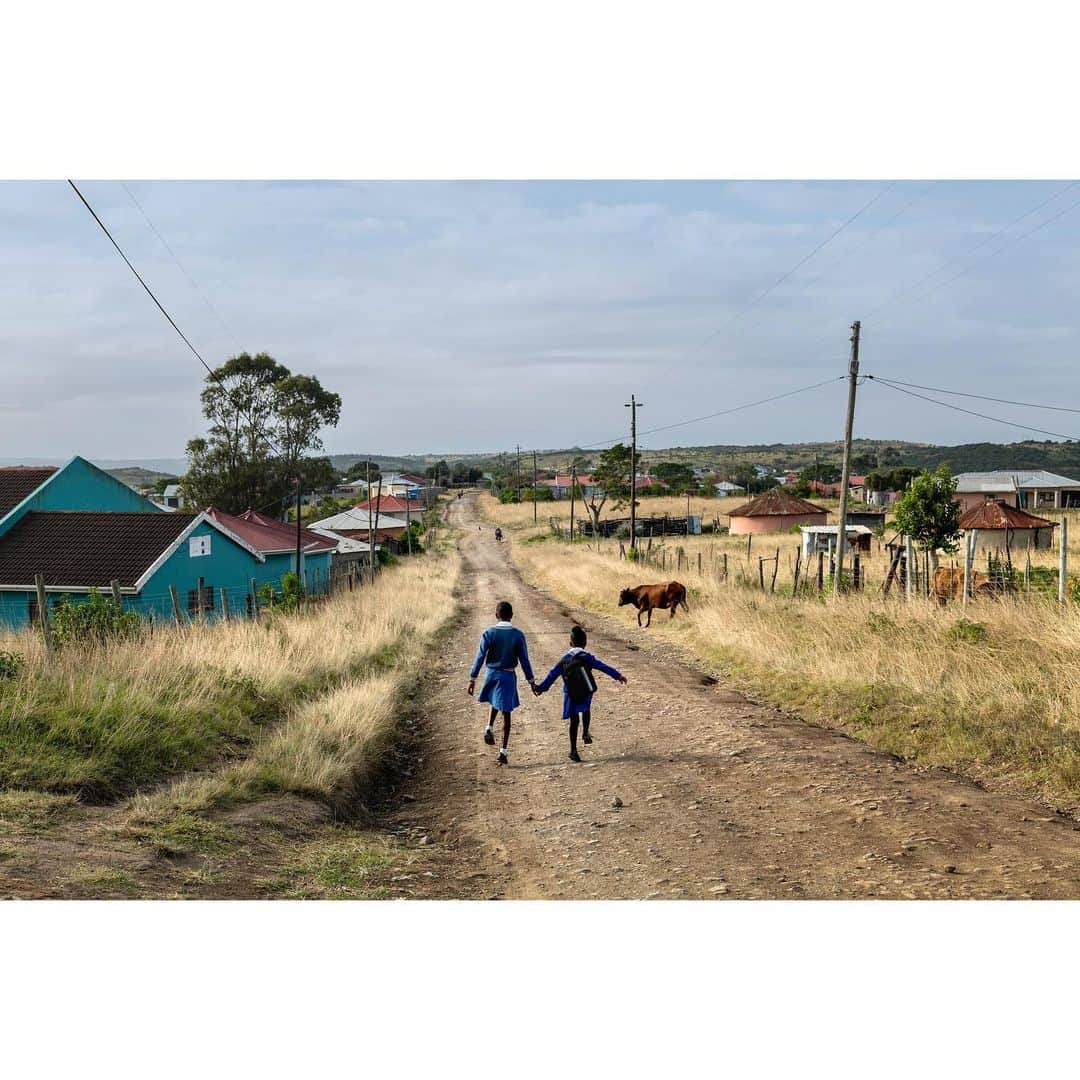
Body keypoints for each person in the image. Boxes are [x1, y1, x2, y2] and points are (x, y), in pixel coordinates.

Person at [533, 625, 627, 762]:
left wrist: (540, 688)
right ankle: (585, 732)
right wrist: (618, 676)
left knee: (574, 720)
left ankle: (573, 750)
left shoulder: (564, 659)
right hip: (585, 690)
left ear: (570, 643)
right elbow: (603, 666)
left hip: (570, 693)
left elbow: (552, 675)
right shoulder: (587, 657)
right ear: (585, 643)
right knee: (586, 710)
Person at [468, 600, 535, 765]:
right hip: (507, 675)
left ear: (496, 615)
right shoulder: (518, 635)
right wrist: (531, 680)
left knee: (494, 700)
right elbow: (524, 660)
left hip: (491, 673)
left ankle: (489, 727)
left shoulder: (489, 633)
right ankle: (503, 752)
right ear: (512, 616)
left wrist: (472, 678)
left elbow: (480, 656)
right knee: (506, 712)